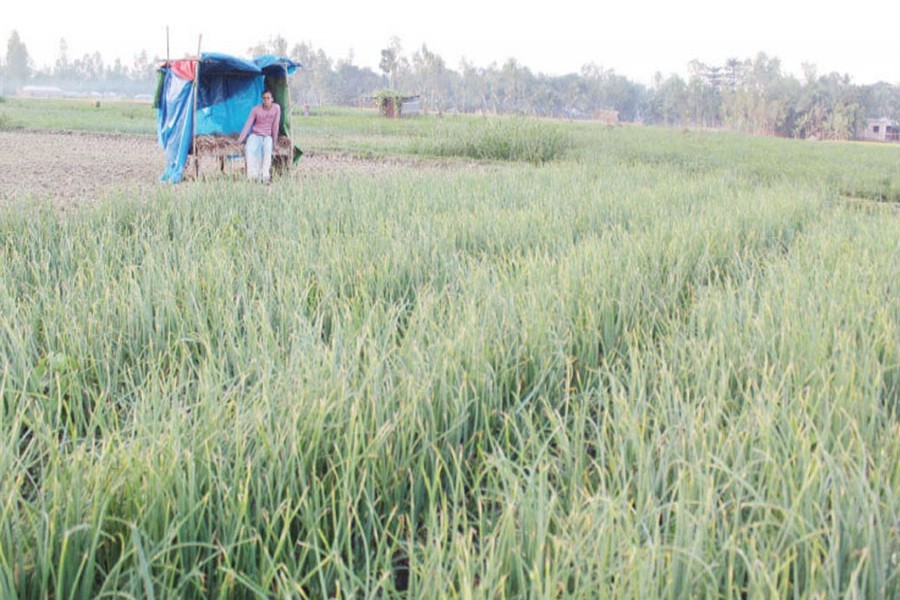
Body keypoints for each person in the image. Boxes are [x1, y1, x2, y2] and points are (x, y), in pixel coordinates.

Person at [238, 90, 281, 182]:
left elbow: (275, 126)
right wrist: (240, 139)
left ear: (272, 99)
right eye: (264, 98)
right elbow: (248, 124)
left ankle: (265, 176)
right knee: (250, 149)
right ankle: (253, 177)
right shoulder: (256, 109)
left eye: (268, 98)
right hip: (255, 134)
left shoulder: (276, 108)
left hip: (267, 136)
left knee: (267, 150)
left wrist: (275, 142)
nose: (266, 100)